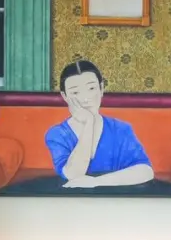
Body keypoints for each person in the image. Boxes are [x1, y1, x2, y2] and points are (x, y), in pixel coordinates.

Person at [45, 60, 154, 188]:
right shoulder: (57, 134)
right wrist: (89, 123)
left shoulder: (120, 129)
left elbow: (146, 171)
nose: (85, 98)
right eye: (75, 92)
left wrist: (96, 182)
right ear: (65, 96)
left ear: (101, 89)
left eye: (91, 88)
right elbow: (73, 174)